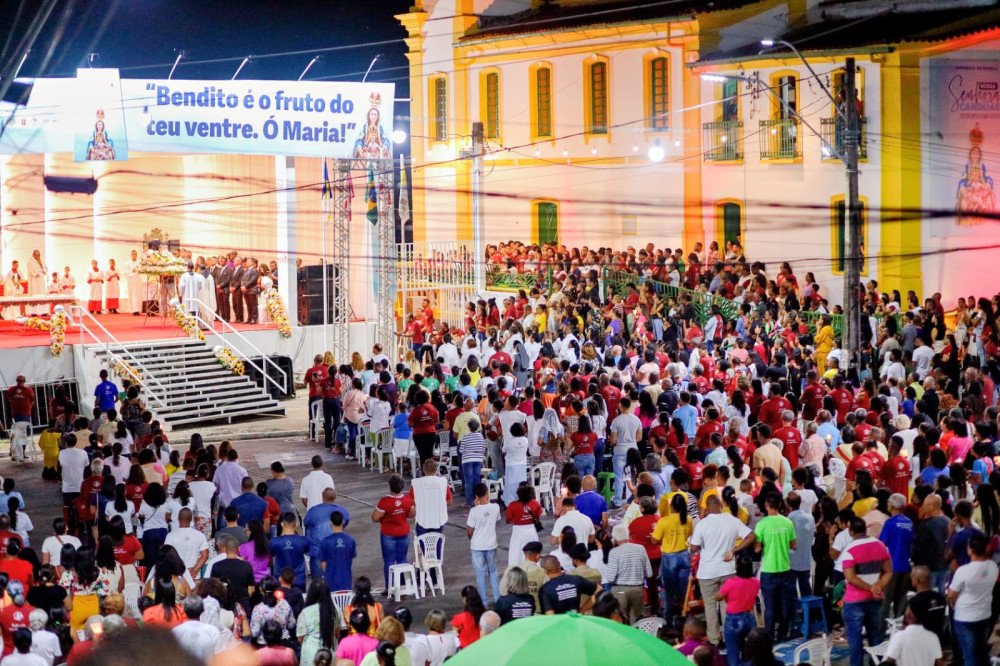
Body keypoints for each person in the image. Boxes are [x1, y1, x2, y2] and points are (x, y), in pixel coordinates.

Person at [689, 494, 754, 647]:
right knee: (727, 604)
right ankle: (728, 635)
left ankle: (713, 639)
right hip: (728, 570)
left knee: (710, 605)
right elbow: (751, 536)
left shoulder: (702, 524)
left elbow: (693, 547)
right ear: (720, 506)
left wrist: (701, 546)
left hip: (707, 572)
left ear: (707, 508)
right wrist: (735, 550)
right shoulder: (732, 520)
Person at [842, 516, 893, 666]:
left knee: (855, 640)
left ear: (851, 531)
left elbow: (850, 577)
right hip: (876, 599)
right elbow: (889, 571)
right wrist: (878, 586)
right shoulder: (880, 545)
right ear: (865, 529)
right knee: (875, 636)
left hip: (854, 601)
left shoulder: (849, 550)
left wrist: (870, 587)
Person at [948, 533, 998, 666]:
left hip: (966, 617)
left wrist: (954, 571)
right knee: (981, 652)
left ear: (970, 550)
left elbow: (952, 594)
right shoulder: (993, 567)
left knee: (970, 655)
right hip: (984, 614)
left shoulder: (963, 571)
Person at [753, 492, 796, 643]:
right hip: (786, 569)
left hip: (769, 571)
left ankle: (769, 637)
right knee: (785, 607)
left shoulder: (762, 524)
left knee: (770, 608)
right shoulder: (787, 522)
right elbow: (793, 545)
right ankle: (783, 635)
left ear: (766, 505)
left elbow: (757, 549)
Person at [652, 493, 693, 627]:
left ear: (671, 506)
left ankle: (668, 624)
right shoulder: (688, 519)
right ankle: (685, 623)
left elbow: (654, 540)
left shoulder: (663, 521)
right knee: (683, 594)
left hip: (669, 558)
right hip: (684, 556)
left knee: (669, 594)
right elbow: (688, 535)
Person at [606, 523, 652, 624]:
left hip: (620, 591)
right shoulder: (640, 548)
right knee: (637, 622)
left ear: (615, 539)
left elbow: (610, 577)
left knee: (621, 622)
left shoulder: (614, 552)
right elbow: (649, 573)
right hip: (638, 589)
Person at [466, 483, 500, 605]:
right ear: (487, 493)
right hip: (491, 544)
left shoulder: (473, 511)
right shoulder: (495, 507)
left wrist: (473, 538)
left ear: (476, 496)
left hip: (477, 546)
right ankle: (498, 599)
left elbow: (469, 531)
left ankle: (484, 603)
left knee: (480, 574)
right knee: (493, 571)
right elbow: (495, 521)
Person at [297, 579, 338, 666]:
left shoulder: (305, 612)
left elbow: (301, 637)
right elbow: (337, 633)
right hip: (329, 652)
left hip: (310, 654)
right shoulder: (335, 610)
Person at [171, 594, 221, 662]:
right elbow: (220, 658)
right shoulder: (213, 631)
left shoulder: (175, 632)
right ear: (202, 610)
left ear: (184, 610)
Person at [409, 459, 451, 536]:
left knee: (423, 545)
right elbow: (449, 501)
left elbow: (410, 502)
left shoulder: (416, 483)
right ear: (436, 469)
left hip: (422, 519)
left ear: (423, 469)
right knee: (437, 544)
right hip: (439, 519)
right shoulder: (443, 482)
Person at [269, 512, 310, 591]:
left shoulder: (274, 541)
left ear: (282, 524)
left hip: (281, 579)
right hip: (299, 579)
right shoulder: (303, 540)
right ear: (296, 524)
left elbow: (271, 554)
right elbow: (307, 550)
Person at [319, 511, 356, 592]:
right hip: (346, 580)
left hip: (330, 582)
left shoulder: (325, 542)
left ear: (330, 523)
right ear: (343, 522)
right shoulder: (350, 540)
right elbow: (350, 559)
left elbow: (323, 564)